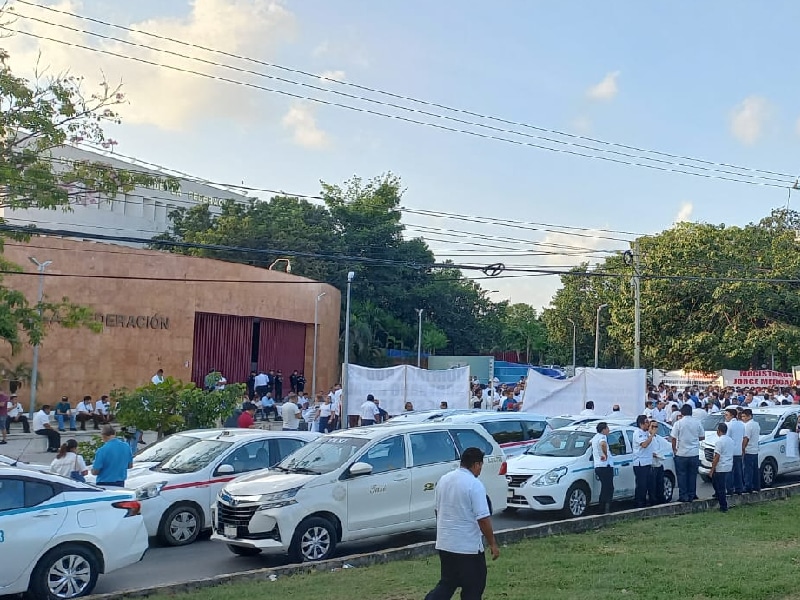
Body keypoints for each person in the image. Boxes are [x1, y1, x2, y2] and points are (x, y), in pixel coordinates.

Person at [424, 447, 499, 600]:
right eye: (481, 466)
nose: (480, 471)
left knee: (447, 583)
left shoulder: (444, 480)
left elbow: (438, 511)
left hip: (445, 544)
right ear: (477, 464)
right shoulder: (474, 484)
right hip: (468, 548)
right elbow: (483, 519)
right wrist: (492, 544)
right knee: (474, 586)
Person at [671, 403, 705, 502]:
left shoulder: (678, 423)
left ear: (682, 412)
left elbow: (673, 438)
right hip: (694, 453)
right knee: (692, 475)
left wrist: (674, 449)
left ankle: (683, 495)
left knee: (682, 475)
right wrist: (694, 438)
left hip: (681, 453)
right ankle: (692, 494)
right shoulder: (697, 422)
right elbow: (702, 436)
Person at [632, 415, 656, 508]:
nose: (648, 424)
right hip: (640, 463)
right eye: (646, 422)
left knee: (649, 484)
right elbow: (644, 445)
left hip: (647, 462)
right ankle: (639, 503)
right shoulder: (638, 433)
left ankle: (648, 501)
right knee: (641, 485)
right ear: (641, 424)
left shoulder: (646, 433)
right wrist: (652, 435)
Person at [709, 422, 734, 512]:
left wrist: (712, 469)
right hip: (728, 465)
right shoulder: (730, 440)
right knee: (719, 484)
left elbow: (717, 457)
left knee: (720, 488)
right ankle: (718, 496)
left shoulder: (719, 442)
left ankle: (723, 506)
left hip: (721, 466)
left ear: (718, 431)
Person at [591, 422, 614, 514]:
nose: (609, 429)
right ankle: (606, 508)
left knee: (604, 487)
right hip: (605, 466)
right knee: (609, 488)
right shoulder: (602, 437)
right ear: (603, 429)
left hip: (598, 466)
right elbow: (603, 444)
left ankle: (602, 507)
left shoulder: (595, 437)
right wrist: (605, 454)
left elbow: (590, 442)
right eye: (607, 428)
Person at [723, 407, 745, 495]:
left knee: (729, 472)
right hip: (739, 450)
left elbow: (726, 438)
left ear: (732, 415)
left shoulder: (729, 425)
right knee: (738, 471)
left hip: (730, 451)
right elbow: (744, 437)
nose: (725, 417)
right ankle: (739, 488)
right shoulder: (741, 424)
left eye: (727, 415)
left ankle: (730, 489)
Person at [741, 408, 761, 493]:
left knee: (747, 470)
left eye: (744, 416)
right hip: (755, 449)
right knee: (755, 469)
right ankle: (756, 486)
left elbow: (746, 438)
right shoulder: (756, 424)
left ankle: (748, 486)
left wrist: (743, 448)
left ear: (749, 416)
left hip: (748, 450)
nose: (742, 418)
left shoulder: (748, 425)